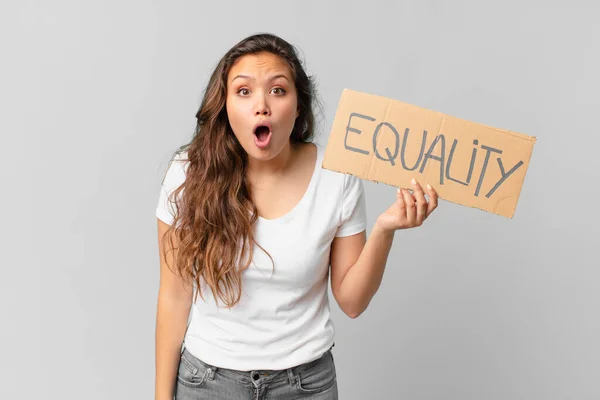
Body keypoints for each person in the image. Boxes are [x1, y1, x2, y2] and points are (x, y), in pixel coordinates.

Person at [154, 33, 438, 400]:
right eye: (243, 91)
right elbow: (174, 297)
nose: (261, 106)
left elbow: (352, 302)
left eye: (277, 90)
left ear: (298, 105)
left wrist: (386, 229)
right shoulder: (186, 175)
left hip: (305, 386)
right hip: (207, 383)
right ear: (224, 106)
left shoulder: (337, 176)